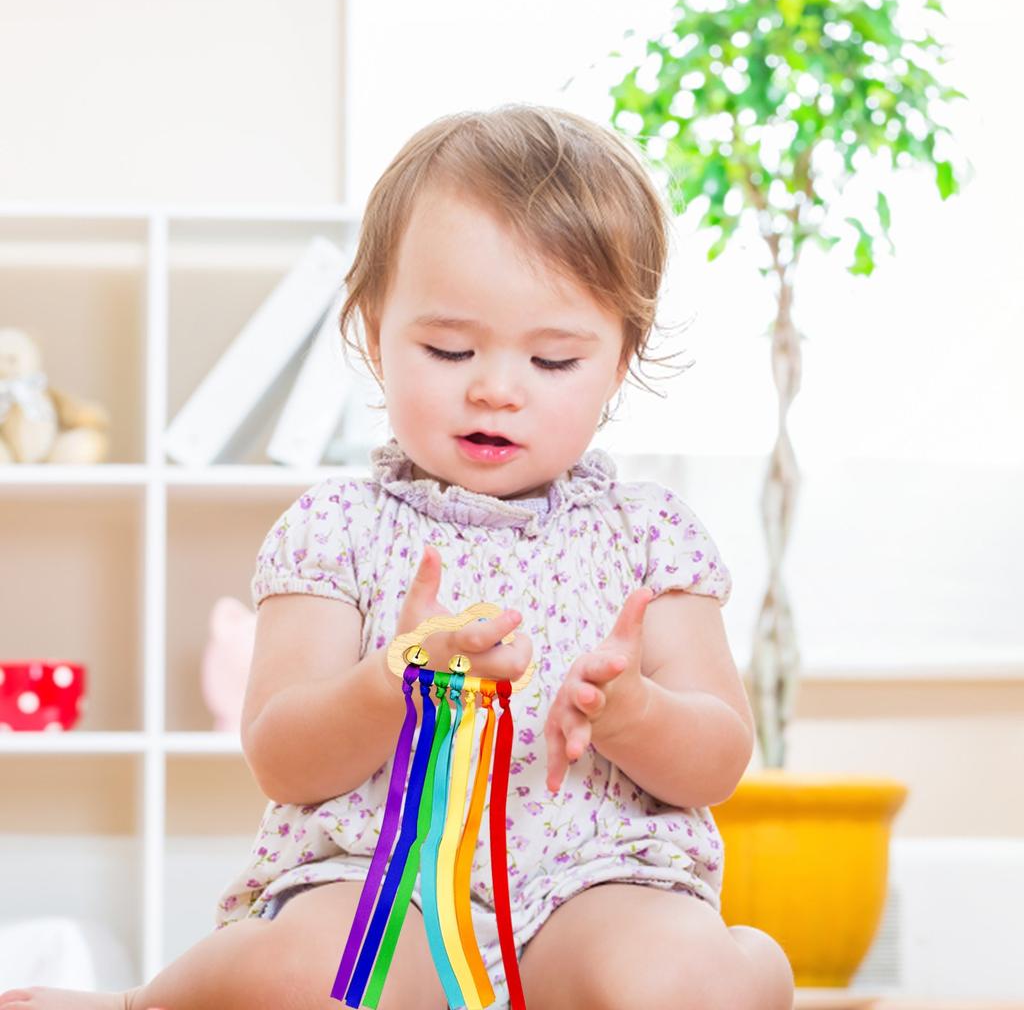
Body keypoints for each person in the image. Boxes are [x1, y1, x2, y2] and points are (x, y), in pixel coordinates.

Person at [0, 104, 794, 1010]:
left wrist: (634, 712)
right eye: (448, 347)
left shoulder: (650, 535)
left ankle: (735, 968)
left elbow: (721, 756)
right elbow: (283, 757)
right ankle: (149, 1003)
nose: (496, 386)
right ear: (374, 333)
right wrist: (390, 682)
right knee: (305, 974)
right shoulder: (337, 527)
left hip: (596, 884)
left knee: (684, 983)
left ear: (618, 363)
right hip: (381, 884)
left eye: (554, 360)